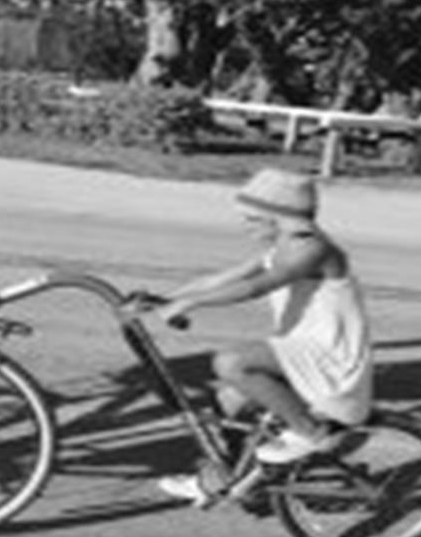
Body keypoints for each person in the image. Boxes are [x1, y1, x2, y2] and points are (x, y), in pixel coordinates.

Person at [154, 167, 372, 503]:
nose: (244, 226)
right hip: (302, 354)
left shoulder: (312, 250)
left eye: (252, 218)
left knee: (232, 362)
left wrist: (191, 304)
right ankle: (220, 480)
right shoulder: (281, 246)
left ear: (281, 216)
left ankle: (312, 432)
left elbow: (255, 287)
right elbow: (221, 279)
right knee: (225, 404)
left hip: (331, 361)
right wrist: (164, 299)